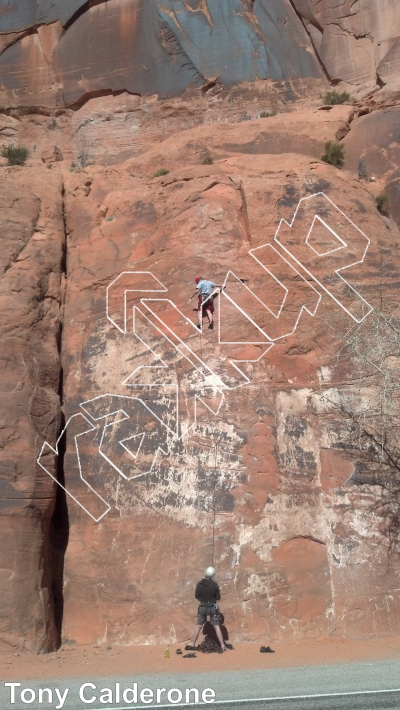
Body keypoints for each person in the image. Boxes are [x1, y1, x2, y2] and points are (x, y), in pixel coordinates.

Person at [189, 566, 228, 651]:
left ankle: (192, 644)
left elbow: (196, 596)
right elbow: (218, 597)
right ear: (213, 575)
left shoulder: (199, 584)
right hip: (212, 607)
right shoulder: (214, 584)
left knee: (198, 626)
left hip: (202, 606)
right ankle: (222, 646)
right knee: (217, 626)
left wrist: (202, 600)